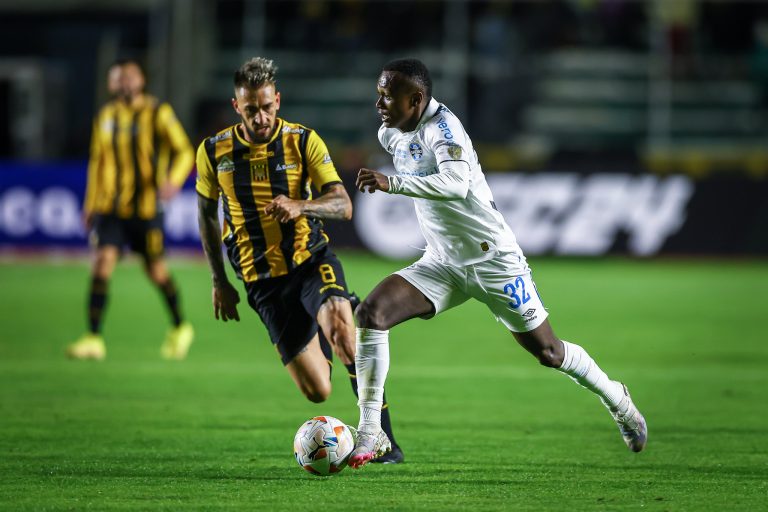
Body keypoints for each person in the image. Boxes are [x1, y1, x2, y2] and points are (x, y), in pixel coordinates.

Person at [347, 58, 647, 468]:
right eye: (378, 93)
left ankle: (618, 401)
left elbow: (455, 183)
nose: (379, 103)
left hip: (493, 261)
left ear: (416, 98)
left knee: (549, 352)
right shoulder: (392, 133)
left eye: (388, 95)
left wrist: (391, 182)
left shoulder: (444, 130)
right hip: (442, 263)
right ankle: (371, 431)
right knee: (371, 313)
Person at [195, 57, 403, 463]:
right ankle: (335, 311)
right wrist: (219, 282)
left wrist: (300, 205)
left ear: (278, 99)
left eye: (267, 106)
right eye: (251, 109)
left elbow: (343, 205)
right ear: (237, 106)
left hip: (310, 261)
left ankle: (384, 441)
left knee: (346, 338)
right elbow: (205, 215)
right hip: (262, 282)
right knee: (317, 391)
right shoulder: (213, 151)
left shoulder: (302, 140)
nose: (260, 116)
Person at [67, 58, 195, 361]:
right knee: (102, 264)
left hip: (147, 208)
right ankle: (93, 337)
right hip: (111, 208)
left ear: (141, 81)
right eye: (118, 78)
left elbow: (184, 150)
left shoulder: (157, 112)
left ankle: (180, 326)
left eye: (129, 76)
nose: (124, 82)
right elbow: (97, 162)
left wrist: (174, 181)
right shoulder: (105, 116)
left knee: (156, 271)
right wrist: (90, 204)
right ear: (111, 84)